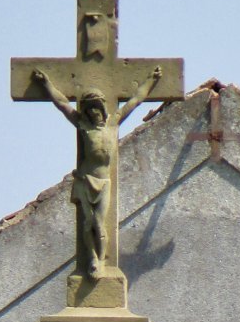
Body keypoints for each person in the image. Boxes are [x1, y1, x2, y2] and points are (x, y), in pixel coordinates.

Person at [32, 65, 161, 279]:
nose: (93, 112)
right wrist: (46, 83)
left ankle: (100, 260)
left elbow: (136, 101)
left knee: (100, 224)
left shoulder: (113, 124)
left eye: (96, 107)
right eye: (90, 108)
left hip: (103, 182)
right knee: (87, 224)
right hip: (85, 180)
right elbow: (62, 104)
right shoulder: (83, 126)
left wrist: (151, 80)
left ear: (102, 108)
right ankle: (92, 258)